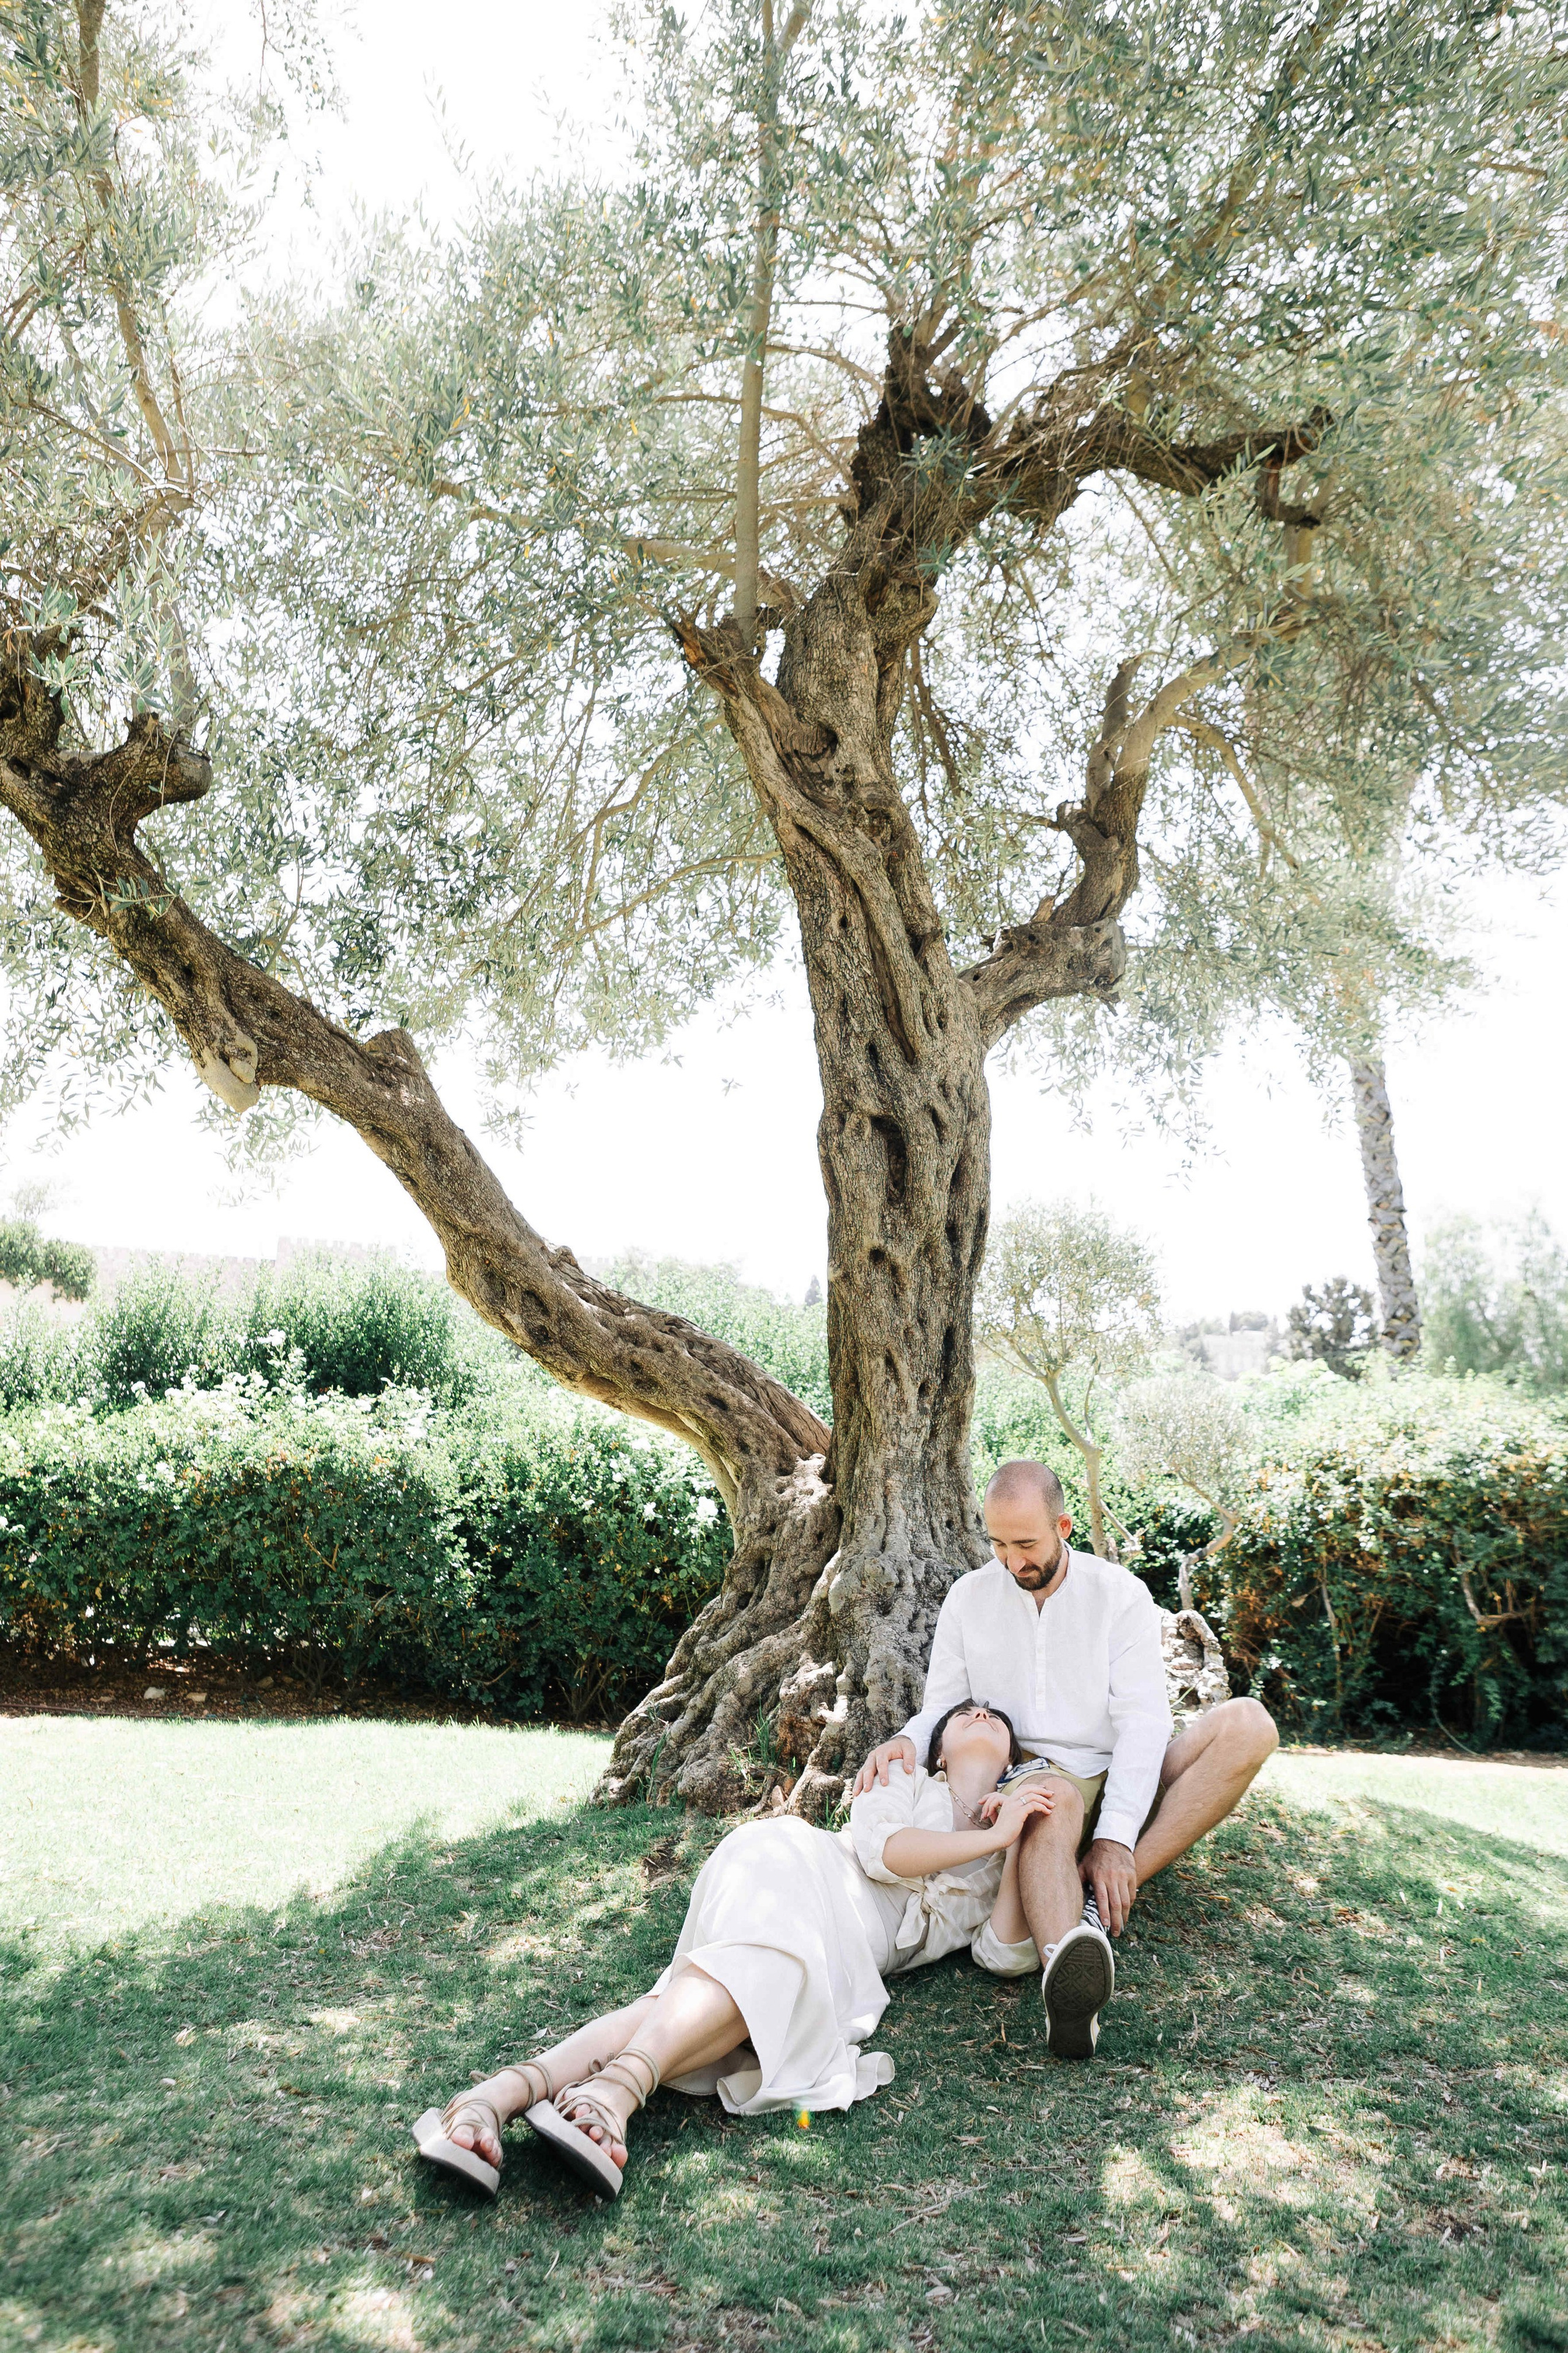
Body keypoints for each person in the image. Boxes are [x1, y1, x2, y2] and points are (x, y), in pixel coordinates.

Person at [415, 1700, 1054, 2200]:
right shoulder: (904, 1774)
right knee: (759, 1972)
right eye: (964, 1712)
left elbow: (1002, 1953)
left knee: (696, 1992)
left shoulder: (1005, 1844)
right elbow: (884, 1853)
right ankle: (613, 2092)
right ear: (939, 1749)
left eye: (995, 1717)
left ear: (1014, 1756)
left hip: (847, 1948)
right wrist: (988, 1834)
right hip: (799, 1865)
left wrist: (1017, 1837)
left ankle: (495, 2097)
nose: (979, 1714)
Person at [852, 1457, 1279, 2058]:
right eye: (998, 1544)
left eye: (1026, 1543)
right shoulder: (968, 1598)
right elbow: (943, 1707)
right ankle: (1066, 1978)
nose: (1013, 1561)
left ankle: (1092, 1910)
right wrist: (907, 1737)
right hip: (1039, 1779)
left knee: (1249, 1724)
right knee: (1052, 1800)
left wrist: (1116, 1839)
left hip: (1125, 1768)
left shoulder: (1119, 1594)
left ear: (1064, 1525)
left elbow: (1143, 1722)